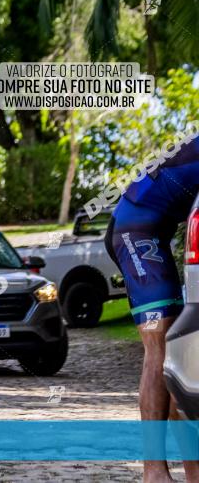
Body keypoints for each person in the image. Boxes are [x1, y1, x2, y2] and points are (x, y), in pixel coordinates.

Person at [104, 137, 199, 483]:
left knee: (179, 360)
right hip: (135, 230)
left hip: (156, 230)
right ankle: (153, 472)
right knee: (159, 349)